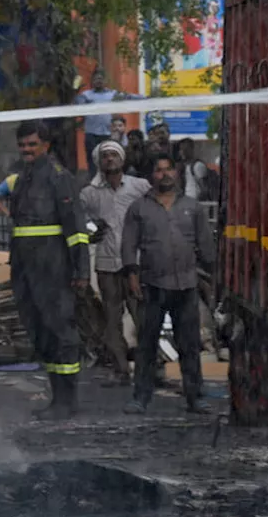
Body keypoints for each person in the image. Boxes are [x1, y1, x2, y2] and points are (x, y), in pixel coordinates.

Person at [121, 152, 216, 415]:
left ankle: (195, 397)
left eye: (168, 170)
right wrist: (132, 275)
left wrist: (211, 277)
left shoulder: (192, 207)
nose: (164, 175)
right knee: (146, 345)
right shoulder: (139, 208)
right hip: (152, 285)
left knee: (190, 344)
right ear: (152, 176)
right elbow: (128, 244)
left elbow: (206, 246)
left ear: (176, 173)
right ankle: (140, 397)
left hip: (186, 285)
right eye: (159, 170)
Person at [8, 121, 90, 420]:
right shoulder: (22, 179)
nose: (27, 150)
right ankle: (58, 398)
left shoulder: (59, 178)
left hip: (53, 267)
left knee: (61, 333)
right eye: (23, 145)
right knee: (41, 333)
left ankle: (68, 400)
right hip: (28, 270)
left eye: (32, 144)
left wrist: (81, 271)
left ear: (46, 145)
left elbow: (76, 229)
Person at [79, 140, 150, 386]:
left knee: (143, 318)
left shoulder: (140, 187)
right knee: (112, 319)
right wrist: (90, 233)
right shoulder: (89, 193)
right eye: (105, 156)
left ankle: (147, 370)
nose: (110, 159)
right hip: (107, 264)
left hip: (137, 263)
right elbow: (80, 223)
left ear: (122, 159)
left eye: (114, 155)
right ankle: (121, 371)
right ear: (99, 161)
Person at [73, 69, 144, 177]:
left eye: (100, 79)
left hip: (107, 134)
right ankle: (94, 183)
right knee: (93, 161)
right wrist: (75, 89)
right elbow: (76, 106)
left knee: (108, 160)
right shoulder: (86, 95)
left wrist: (145, 99)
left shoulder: (112, 94)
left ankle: (108, 181)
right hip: (91, 134)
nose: (98, 81)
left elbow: (128, 97)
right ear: (92, 81)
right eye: (96, 79)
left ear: (105, 81)